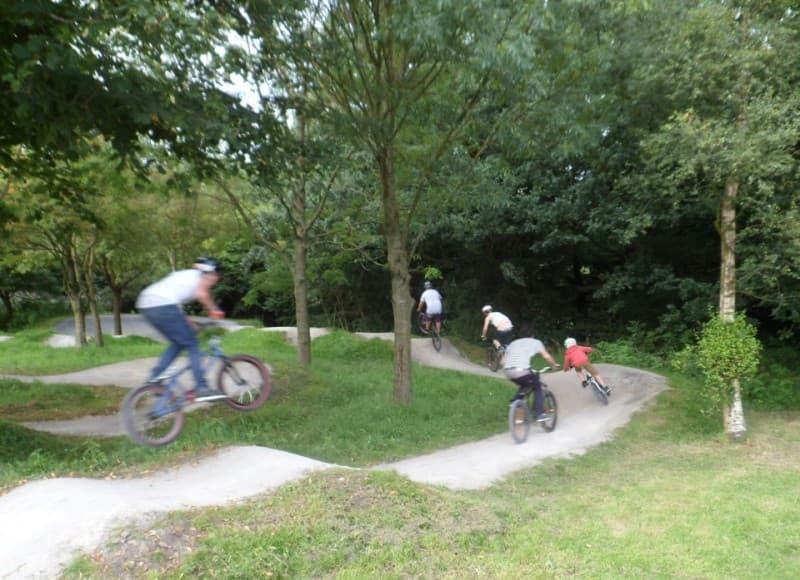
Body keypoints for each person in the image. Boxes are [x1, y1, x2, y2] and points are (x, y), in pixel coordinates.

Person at [136, 257, 225, 399]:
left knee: (180, 341)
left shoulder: (186, 276)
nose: (216, 280)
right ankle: (201, 387)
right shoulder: (201, 276)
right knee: (192, 343)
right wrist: (214, 309)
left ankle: (155, 378)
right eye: (216, 275)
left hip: (147, 304)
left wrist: (187, 321)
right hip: (162, 305)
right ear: (210, 272)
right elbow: (202, 294)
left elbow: (175, 302)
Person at [503, 335, 560, 421]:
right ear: (532, 336)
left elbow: (502, 361)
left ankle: (515, 401)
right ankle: (539, 414)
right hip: (522, 371)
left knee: (526, 384)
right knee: (537, 387)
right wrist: (554, 364)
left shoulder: (513, 343)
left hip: (508, 372)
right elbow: (546, 356)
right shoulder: (536, 342)